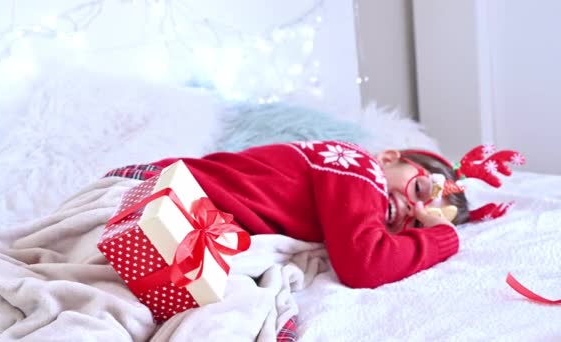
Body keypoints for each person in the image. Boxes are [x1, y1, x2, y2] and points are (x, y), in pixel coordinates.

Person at [106, 140, 524, 289]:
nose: (411, 209)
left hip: (192, 220)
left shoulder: (350, 212)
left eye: (417, 222)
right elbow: (366, 267)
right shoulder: (352, 165)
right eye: (420, 188)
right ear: (389, 157)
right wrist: (442, 238)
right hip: (156, 191)